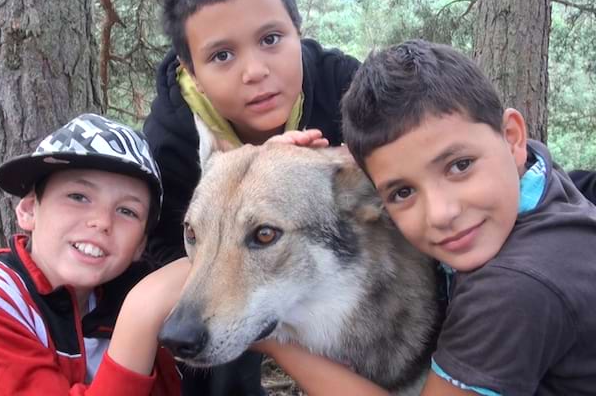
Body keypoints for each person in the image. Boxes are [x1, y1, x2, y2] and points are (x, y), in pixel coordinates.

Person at [253, 39, 596, 395]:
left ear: (512, 138)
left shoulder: (512, 289)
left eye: (459, 166)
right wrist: (293, 173)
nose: (441, 213)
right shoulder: (532, 176)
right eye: (403, 192)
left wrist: (276, 341)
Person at [143, 0, 360, 396]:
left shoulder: (346, 87)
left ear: (298, 31)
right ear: (191, 69)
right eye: (222, 55)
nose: (254, 71)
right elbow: (163, 245)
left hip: (331, 274)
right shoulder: (172, 139)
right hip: (220, 289)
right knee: (214, 346)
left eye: (271, 39)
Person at [0, 113, 190, 395]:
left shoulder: (116, 297)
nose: (102, 221)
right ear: (29, 210)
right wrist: (140, 316)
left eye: (127, 211)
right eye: (78, 197)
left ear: (140, 244)